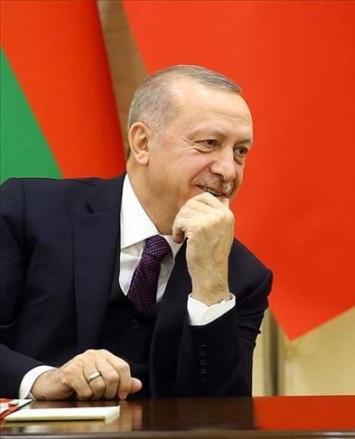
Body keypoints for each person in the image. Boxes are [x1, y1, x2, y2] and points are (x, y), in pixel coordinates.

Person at [0, 65, 272, 400]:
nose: (228, 170)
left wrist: (210, 283)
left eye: (240, 151)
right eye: (209, 143)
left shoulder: (243, 275)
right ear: (142, 143)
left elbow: (226, 412)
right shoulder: (30, 211)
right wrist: (41, 379)